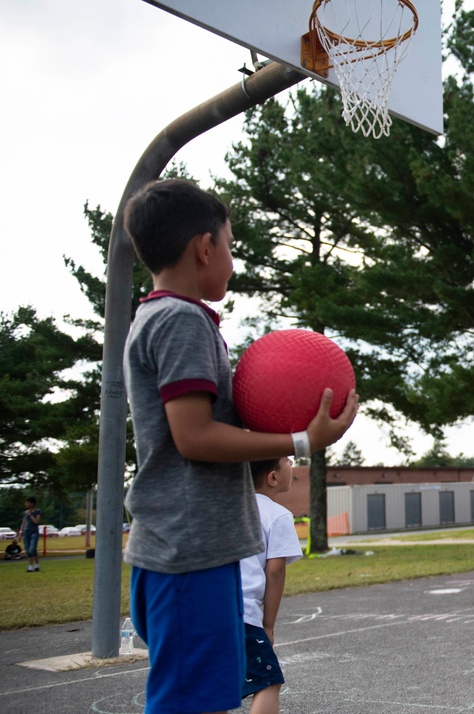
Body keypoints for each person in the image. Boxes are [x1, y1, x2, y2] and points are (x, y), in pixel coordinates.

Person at [122, 178, 359, 714]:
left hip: (194, 544)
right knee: (188, 703)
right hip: (190, 549)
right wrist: (302, 439)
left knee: (206, 693)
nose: (231, 259)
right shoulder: (179, 320)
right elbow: (194, 436)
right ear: (204, 247)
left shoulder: (165, 317)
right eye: (230, 246)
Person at [241, 456, 303, 714]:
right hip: (243, 615)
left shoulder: (227, 507)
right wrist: (267, 625)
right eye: (287, 461)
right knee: (268, 681)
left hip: (206, 610)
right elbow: (275, 572)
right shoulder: (277, 515)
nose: (292, 464)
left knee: (211, 684)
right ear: (273, 477)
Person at [17, 497, 42, 572]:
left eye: (27, 502)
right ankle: (30, 567)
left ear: (32, 503)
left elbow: (37, 522)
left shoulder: (37, 512)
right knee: (28, 551)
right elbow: (23, 523)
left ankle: (37, 565)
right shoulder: (25, 513)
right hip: (26, 533)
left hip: (34, 532)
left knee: (32, 549)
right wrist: (20, 534)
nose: (26, 504)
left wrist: (30, 515)